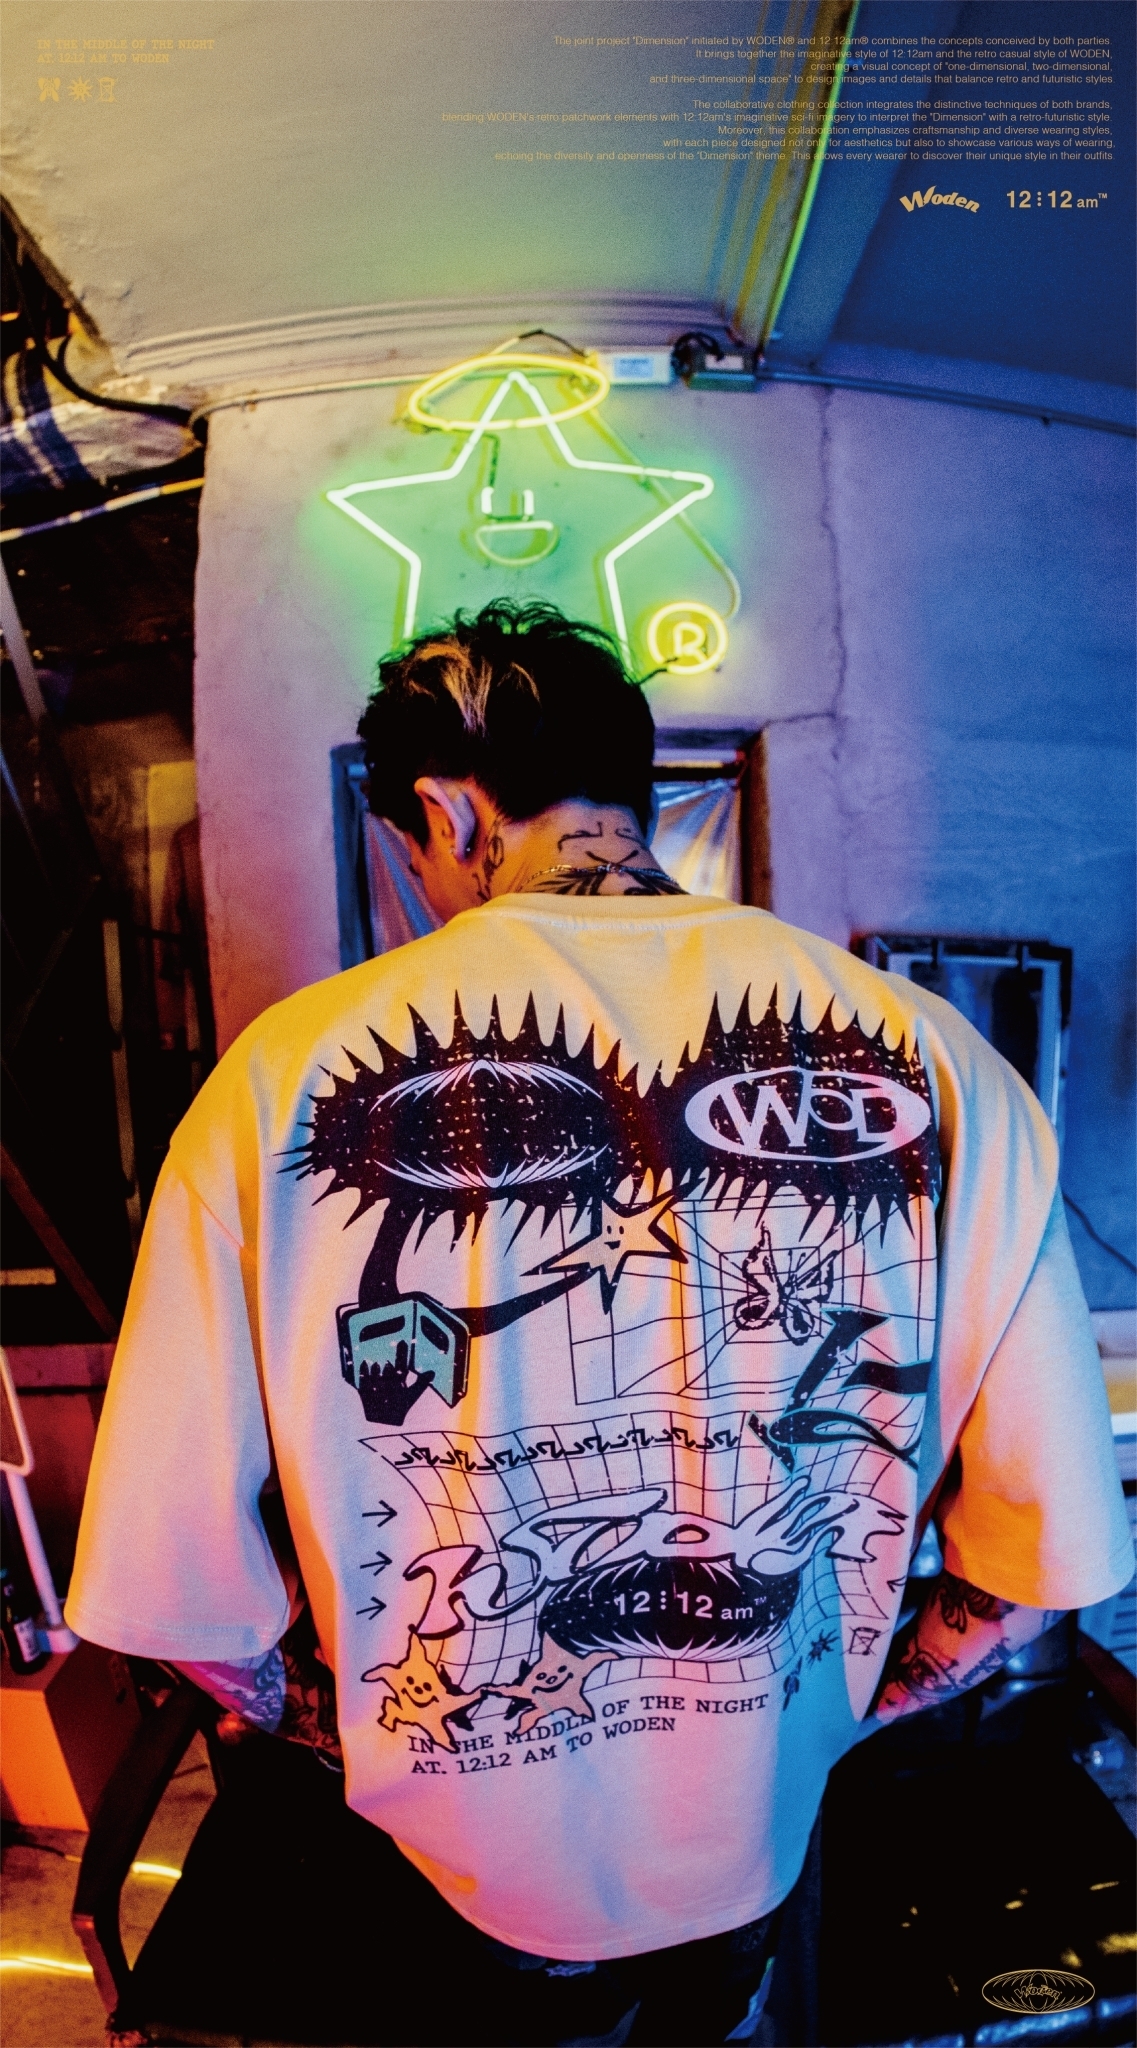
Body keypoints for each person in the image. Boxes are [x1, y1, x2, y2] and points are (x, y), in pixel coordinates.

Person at [67, 600, 1132, 2046]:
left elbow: (175, 1599)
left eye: (410, 850)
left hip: (462, 1861)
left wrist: (339, 1724)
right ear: (636, 791)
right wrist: (854, 1709)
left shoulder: (282, 1078)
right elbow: (1035, 1565)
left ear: (447, 809)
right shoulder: (943, 1063)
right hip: (762, 1826)